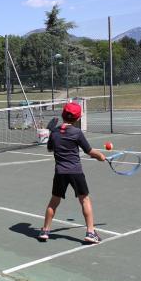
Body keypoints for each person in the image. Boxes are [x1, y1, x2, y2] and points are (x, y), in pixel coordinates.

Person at [39, 102, 106, 244]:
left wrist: (52, 134)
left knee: (54, 201)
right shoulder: (77, 133)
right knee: (85, 200)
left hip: (60, 172)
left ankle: (45, 230)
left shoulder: (55, 132)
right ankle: (90, 232)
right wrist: (101, 156)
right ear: (77, 119)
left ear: (63, 115)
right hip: (75, 171)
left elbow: (50, 149)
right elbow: (90, 151)